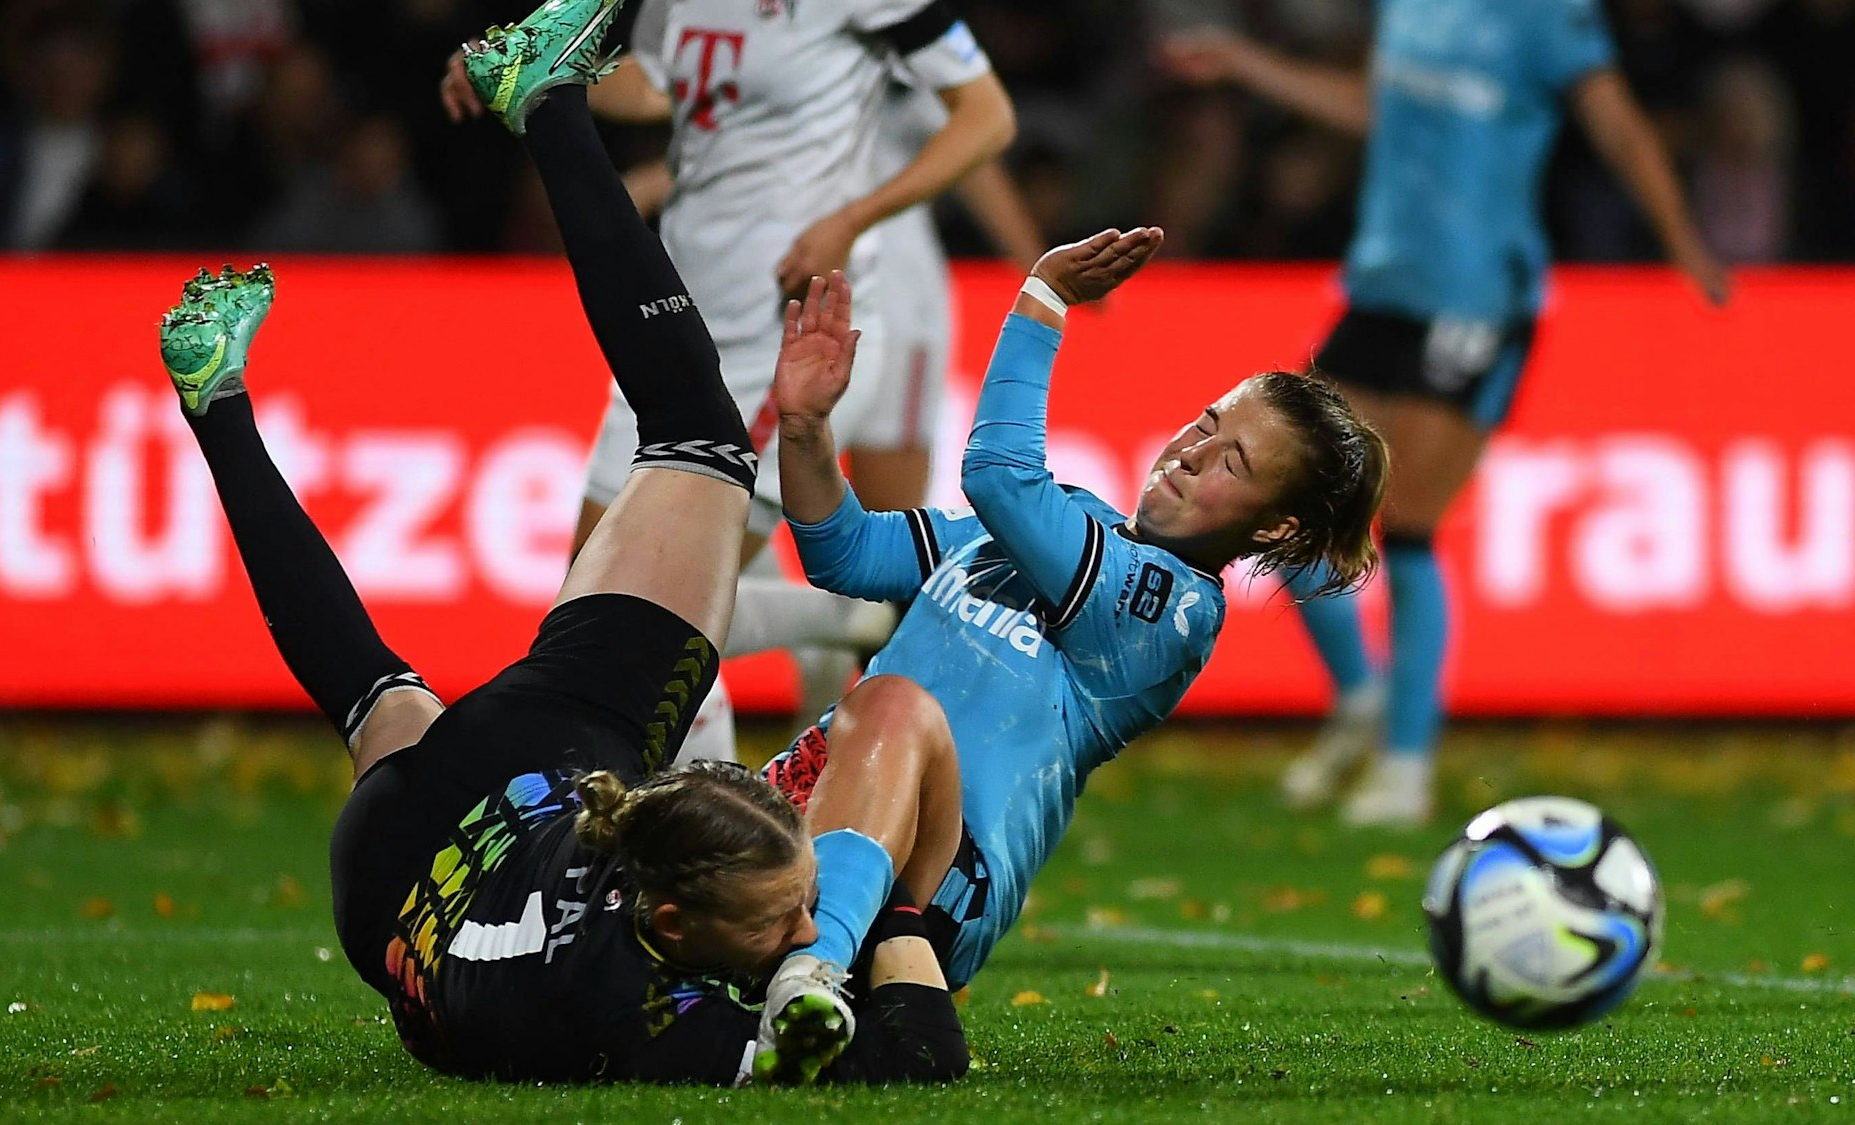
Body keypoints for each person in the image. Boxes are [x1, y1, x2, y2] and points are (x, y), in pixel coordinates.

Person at [158, 2, 963, 1086]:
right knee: (370, 693)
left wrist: (880, 929)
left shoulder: (639, 999)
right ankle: (216, 400)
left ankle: (549, 103)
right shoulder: (643, 1006)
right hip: (392, 872)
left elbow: (908, 1056)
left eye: (795, 918)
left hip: (519, 788)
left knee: (695, 435)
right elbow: (911, 1063)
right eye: (792, 919)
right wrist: (872, 929)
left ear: (667, 919)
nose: (810, 937)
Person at [748, 226, 1391, 1031]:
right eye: (1206, 422)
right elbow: (844, 550)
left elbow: (998, 475)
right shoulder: (1071, 525)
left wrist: (1044, 297)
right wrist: (807, 428)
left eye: (1233, 462)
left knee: (889, 703)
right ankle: (774, 1002)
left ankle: (813, 976)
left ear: (1269, 529)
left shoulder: (1173, 610)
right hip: (827, 799)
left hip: (944, 879)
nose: (1192, 451)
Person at [1159, 2, 1728, 825]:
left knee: (1413, 526)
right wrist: (1250, 66)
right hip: (1381, 286)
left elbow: (1619, 129)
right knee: (1284, 498)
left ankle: (1405, 762)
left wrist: (1682, 241)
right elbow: (1379, 107)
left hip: (1474, 298)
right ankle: (1361, 696)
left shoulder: (1548, 17)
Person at [442, 0, 1020, 764]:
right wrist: (530, 72)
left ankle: (707, 851)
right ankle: (862, 623)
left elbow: (987, 116)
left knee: (654, 613)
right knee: (593, 603)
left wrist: (853, 218)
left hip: (781, 339)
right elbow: (654, 86)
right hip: (672, 321)